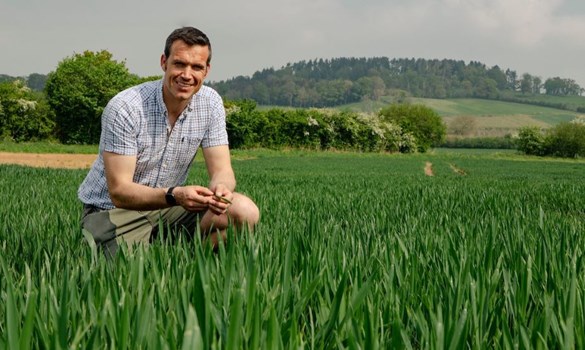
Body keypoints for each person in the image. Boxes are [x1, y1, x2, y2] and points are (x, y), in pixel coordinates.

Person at [78, 26, 259, 257]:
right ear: (164, 62)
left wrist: (221, 189)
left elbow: (223, 170)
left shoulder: (211, 103)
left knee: (244, 211)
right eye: (179, 64)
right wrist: (176, 195)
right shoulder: (125, 107)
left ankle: (192, 268)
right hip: (115, 211)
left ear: (207, 70)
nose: (187, 74)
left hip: (169, 207)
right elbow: (119, 191)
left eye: (196, 67)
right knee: (128, 280)